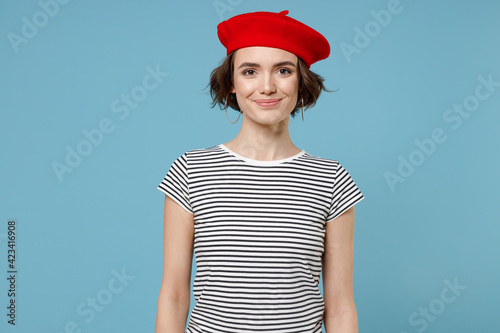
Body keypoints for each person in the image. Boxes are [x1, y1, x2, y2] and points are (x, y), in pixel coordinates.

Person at [155, 10, 365, 333]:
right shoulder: (191, 171)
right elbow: (174, 295)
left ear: (301, 83)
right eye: (250, 71)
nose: (266, 87)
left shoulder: (331, 179)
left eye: (283, 70)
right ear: (231, 85)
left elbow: (339, 306)